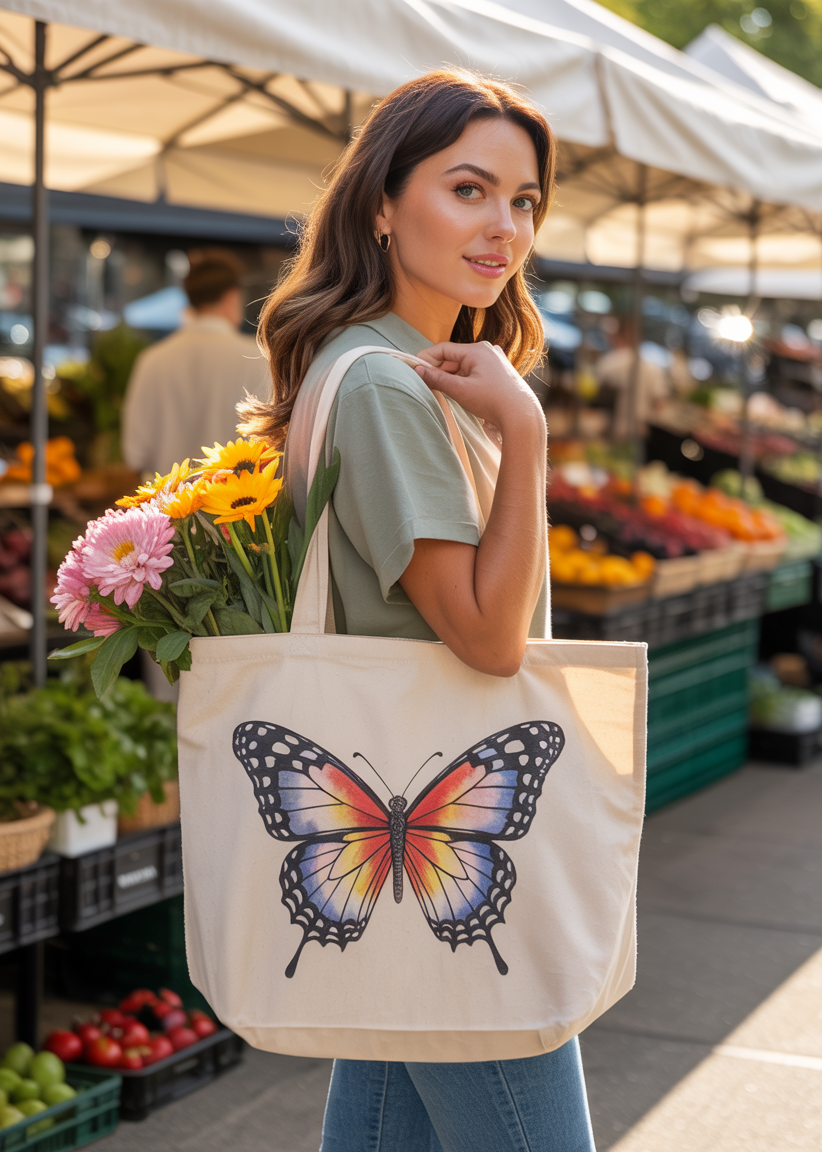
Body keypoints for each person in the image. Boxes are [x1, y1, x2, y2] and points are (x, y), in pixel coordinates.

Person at [240, 71, 596, 1152]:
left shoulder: (373, 367)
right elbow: (490, 640)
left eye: (525, 201)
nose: (505, 227)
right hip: (440, 808)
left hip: (402, 816)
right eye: (471, 189)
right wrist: (525, 429)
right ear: (384, 205)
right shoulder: (392, 386)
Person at [122, 251, 269, 478]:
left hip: (165, 507)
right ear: (231, 297)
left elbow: (134, 454)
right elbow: (267, 447)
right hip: (235, 507)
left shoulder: (152, 360)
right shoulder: (256, 358)